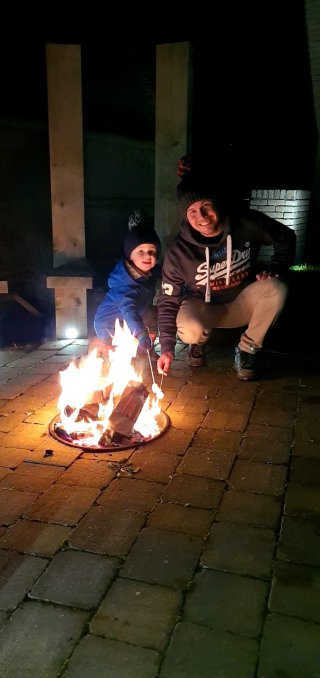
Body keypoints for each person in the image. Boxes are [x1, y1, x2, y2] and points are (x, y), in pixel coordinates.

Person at [157, 156, 296, 381]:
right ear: (185, 215)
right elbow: (168, 299)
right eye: (191, 211)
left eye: (205, 206)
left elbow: (286, 237)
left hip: (242, 300)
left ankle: (247, 350)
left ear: (216, 202)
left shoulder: (246, 222)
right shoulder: (178, 250)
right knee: (190, 328)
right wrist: (166, 348)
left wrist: (276, 266)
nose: (200, 216)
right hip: (205, 307)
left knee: (277, 288)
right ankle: (197, 343)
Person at [94, 210, 161, 353]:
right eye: (140, 252)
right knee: (113, 352)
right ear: (130, 256)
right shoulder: (125, 284)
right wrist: (141, 333)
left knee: (152, 313)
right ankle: (108, 358)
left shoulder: (146, 274)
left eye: (152, 252)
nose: (147, 256)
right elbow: (129, 311)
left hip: (134, 318)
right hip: (110, 325)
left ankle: (146, 350)